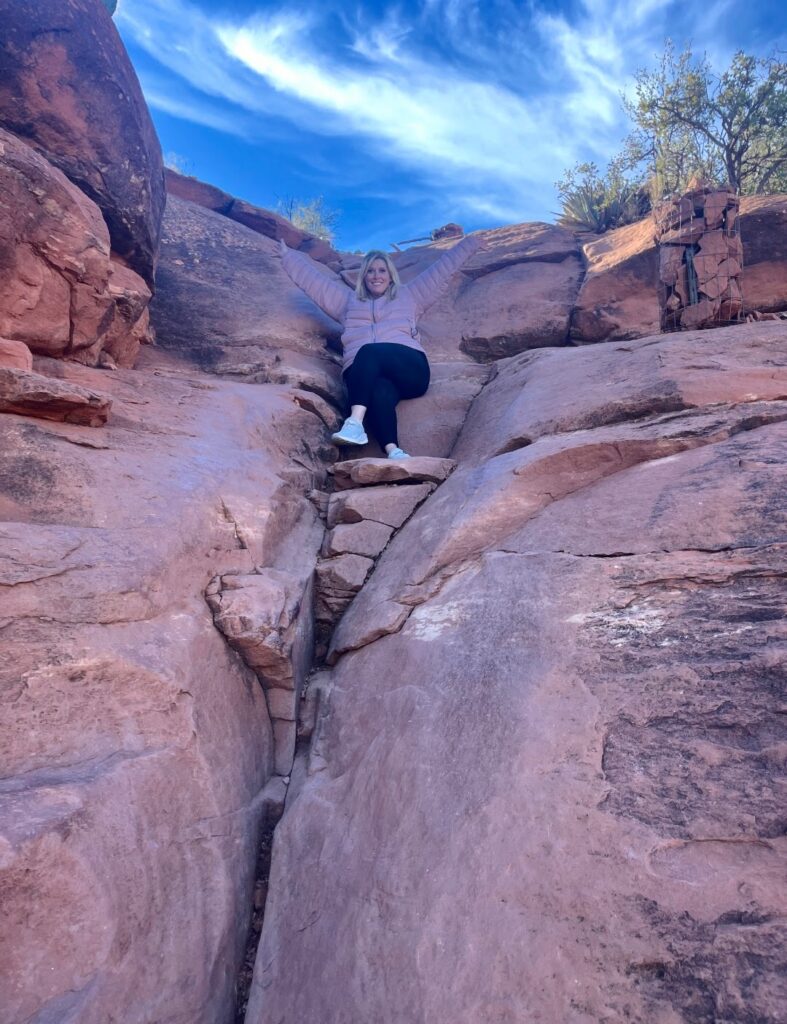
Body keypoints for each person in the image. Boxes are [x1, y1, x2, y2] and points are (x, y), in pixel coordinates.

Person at [279, 232, 485, 458]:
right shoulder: (347, 302)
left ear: (390, 275)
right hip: (366, 376)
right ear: (363, 276)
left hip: (410, 370)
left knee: (369, 352)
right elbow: (316, 284)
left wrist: (469, 244)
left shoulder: (409, 295)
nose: (376, 276)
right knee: (379, 392)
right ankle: (393, 450)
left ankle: (355, 422)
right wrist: (288, 257)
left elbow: (441, 270)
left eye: (381, 270)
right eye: (370, 271)